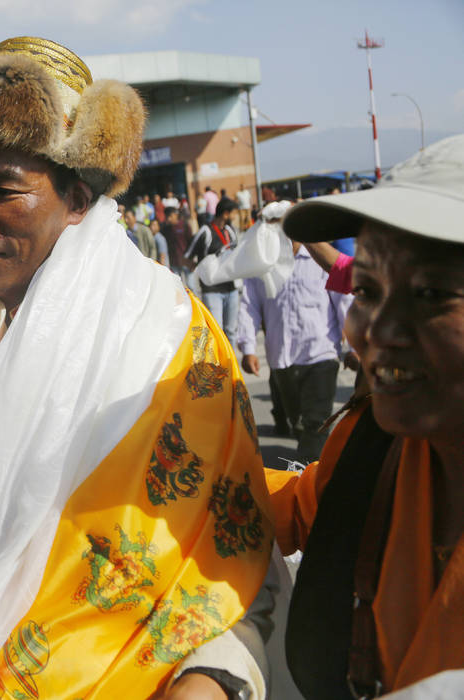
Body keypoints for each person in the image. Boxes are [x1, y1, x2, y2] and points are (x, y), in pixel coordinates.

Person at [0, 37, 273, 700]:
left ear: (76, 199)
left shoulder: (164, 338)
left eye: (5, 190)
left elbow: (223, 556)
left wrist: (215, 677)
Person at [266, 134, 464, 697]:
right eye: (368, 290)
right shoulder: (371, 441)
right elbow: (301, 511)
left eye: (430, 294)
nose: (376, 331)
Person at [238, 240, 352, 463]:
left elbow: (344, 301)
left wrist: (354, 348)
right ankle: (309, 462)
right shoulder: (263, 264)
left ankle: (308, 476)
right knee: (298, 422)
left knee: (316, 421)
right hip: (282, 358)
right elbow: (249, 305)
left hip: (321, 352)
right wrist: (249, 348)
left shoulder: (321, 260)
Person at [185, 197, 240, 346]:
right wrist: (200, 272)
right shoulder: (206, 231)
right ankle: (219, 368)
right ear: (226, 214)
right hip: (212, 291)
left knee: (231, 332)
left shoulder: (230, 231)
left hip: (231, 289)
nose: (236, 217)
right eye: (234, 213)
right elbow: (187, 256)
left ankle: (231, 366)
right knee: (217, 333)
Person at [161, 206, 191, 285]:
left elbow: (191, 241)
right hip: (174, 262)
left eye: (170, 216)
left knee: (190, 286)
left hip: (186, 261)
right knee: (178, 286)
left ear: (175, 215)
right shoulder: (165, 229)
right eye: (167, 217)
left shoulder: (184, 225)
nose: (169, 219)